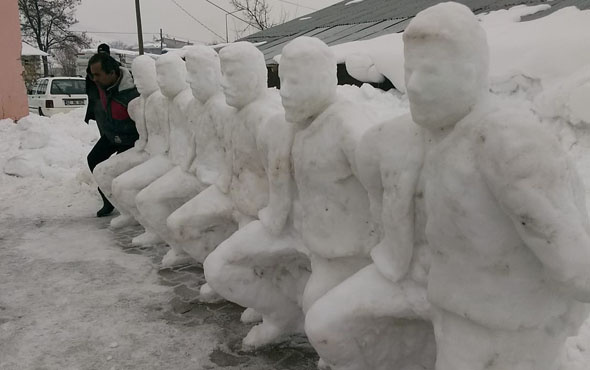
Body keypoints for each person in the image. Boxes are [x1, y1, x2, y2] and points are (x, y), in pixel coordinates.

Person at [406, 3, 590, 370]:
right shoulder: (440, 136)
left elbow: (568, 254)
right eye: (409, 70)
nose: (412, 85)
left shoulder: (504, 139)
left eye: (430, 72)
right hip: (459, 315)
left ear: (470, 72)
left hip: (508, 330)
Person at [87, 52, 140, 217]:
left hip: (131, 139)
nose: (93, 78)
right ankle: (108, 198)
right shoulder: (98, 82)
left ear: (112, 73)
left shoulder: (132, 93)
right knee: (94, 159)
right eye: (91, 74)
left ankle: (130, 205)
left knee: (114, 170)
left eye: (97, 74)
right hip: (111, 134)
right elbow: (92, 92)